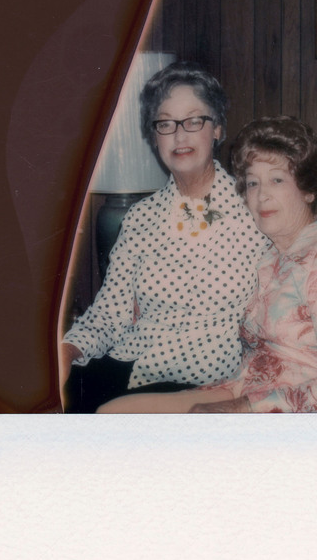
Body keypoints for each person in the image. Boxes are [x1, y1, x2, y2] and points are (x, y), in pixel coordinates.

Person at [98, 115, 317, 414]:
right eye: (253, 183)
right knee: (114, 415)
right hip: (245, 387)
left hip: (305, 415)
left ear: (307, 189)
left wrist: (242, 408)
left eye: (277, 180)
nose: (262, 195)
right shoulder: (268, 255)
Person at [60, 63, 269, 412]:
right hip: (128, 365)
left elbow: (314, 243)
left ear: (216, 128)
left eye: (193, 121)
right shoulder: (140, 218)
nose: (179, 135)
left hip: (200, 382)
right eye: (166, 123)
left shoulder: (253, 204)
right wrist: (66, 352)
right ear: (154, 135)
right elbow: (110, 314)